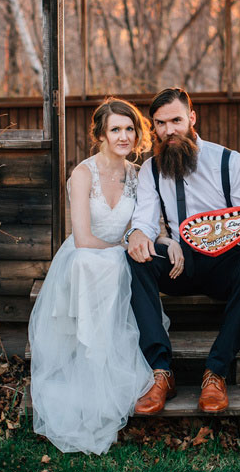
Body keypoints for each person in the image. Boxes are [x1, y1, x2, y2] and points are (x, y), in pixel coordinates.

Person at [126, 87, 240, 415]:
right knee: (132, 261)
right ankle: (160, 372)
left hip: (225, 263)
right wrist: (138, 235)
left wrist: (229, 230)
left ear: (192, 118)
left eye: (176, 120)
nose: (168, 130)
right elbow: (146, 220)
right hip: (179, 264)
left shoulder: (231, 162)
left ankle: (215, 372)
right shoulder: (150, 169)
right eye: (160, 124)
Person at [29, 98, 158, 455]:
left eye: (130, 128)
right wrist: (124, 245)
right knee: (94, 264)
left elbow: (148, 224)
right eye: (115, 129)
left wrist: (162, 241)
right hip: (87, 257)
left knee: (127, 265)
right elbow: (83, 239)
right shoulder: (82, 174)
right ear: (100, 133)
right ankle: (90, 369)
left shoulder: (138, 174)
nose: (124, 136)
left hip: (118, 257)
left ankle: (108, 373)